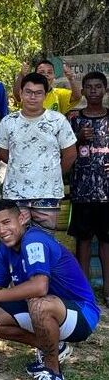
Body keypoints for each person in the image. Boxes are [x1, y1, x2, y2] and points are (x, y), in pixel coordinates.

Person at [0, 199, 100, 380]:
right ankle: (55, 348)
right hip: (51, 310)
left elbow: (39, 286)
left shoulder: (34, 240)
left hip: (81, 315)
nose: (2, 230)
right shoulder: (4, 248)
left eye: (6, 222)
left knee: (38, 303)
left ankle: (54, 375)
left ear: (21, 219)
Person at [0, 72, 77, 232]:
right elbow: (1, 153)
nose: (33, 97)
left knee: (44, 241)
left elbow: (70, 153)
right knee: (16, 239)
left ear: (45, 95)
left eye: (38, 93)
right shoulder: (8, 121)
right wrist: (21, 165)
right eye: (28, 92)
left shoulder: (57, 120)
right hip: (15, 193)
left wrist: (52, 173)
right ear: (21, 93)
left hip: (47, 193)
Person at [68, 71, 109, 307]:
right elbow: (62, 149)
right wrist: (77, 138)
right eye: (89, 87)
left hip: (107, 192)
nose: (93, 90)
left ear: (105, 90)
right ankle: (84, 293)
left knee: (106, 241)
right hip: (82, 191)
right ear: (82, 91)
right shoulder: (73, 118)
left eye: (98, 86)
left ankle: (107, 290)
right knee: (83, 242)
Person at [13, 60, 81, 115]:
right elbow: (17, 95)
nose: (46, 75)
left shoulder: (59, 94)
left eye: (49, 72)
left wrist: (71, 78)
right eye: (42, 72)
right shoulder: (29, 94)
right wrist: (21, 75)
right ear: (35, 75)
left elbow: (77, 97)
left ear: (54, 76)